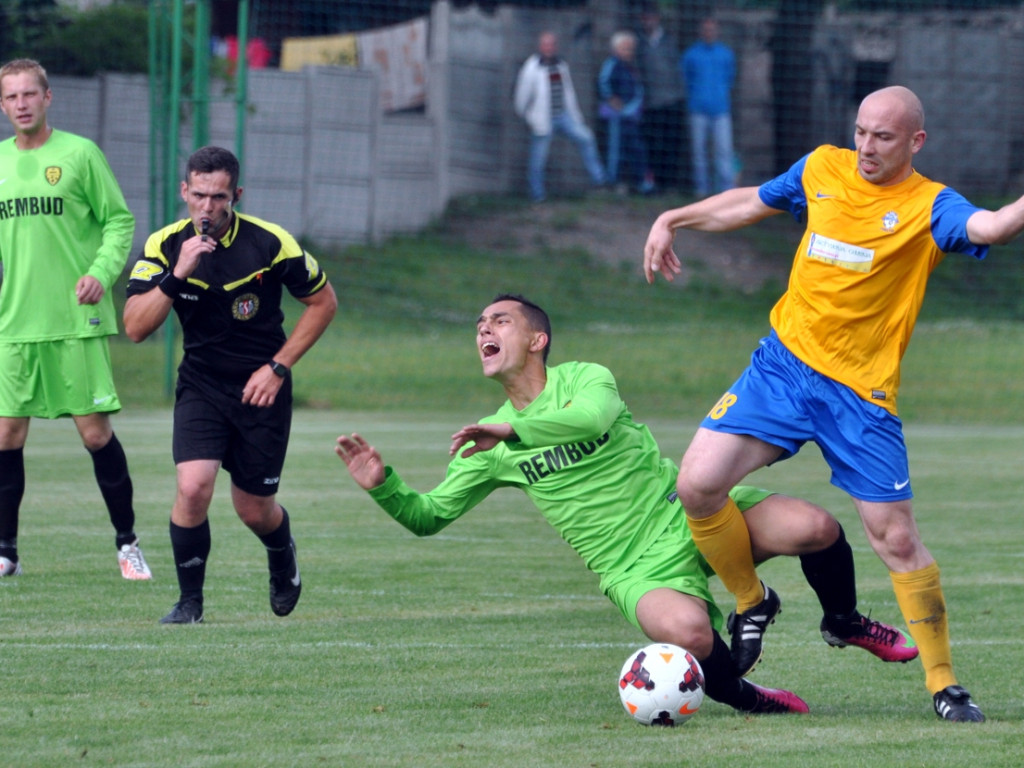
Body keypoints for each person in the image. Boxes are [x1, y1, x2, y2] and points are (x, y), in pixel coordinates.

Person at [334, 294, 918, 716]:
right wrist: (384, 484)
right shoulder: (489, 443)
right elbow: (428, 517)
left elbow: (589, 420)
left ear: (537, 339)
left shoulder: (586, 379)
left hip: (686, 510)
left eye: (499, 320)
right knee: (689, 633)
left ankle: (842, 622)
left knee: (816, 526)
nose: (484, 329)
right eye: (479, 323)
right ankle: (747, 698)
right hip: (632, 567)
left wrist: (513, 434)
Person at [642, 85, 1012, 722]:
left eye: (884, 137)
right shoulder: (822, 168)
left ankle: (945, 684)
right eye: (862, 132)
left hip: (859, 399)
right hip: (782, 370)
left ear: (915, 142)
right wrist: (674, 217)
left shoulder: (930, 206)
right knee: (697, 485)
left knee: (895, 539)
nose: (866, 147)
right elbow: (747, 203)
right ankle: (752, 600)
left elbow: (992, 226)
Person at [123, 145, 337, 624]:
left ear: (235, 195)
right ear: (184, 191)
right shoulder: (164, 245)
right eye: (198, 195)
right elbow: (135, 327)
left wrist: (278, 368)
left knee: (254, 510)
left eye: (218, 197)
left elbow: (324, 304)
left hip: (262, 389)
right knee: (193, 486)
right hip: (201, 384)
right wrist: (177, 275)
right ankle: (190, 603)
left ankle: (283, 555)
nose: (207, 207)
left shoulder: (269, 242)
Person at [0, 58, 152, 581]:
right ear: (2, 105)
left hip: (75, 320)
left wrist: (101, 272)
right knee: (5, 436)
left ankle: (128, 543)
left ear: (47, 98)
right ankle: (6, 553)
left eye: (28, 94)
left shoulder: (80, 155)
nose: (20, 104)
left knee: (93, 435)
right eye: (10, 97)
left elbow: (118, 221)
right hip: (14, 324)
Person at [513, 31, 607, 203]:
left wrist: (576, 116)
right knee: (538, 159)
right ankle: (537, 195)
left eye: (551, 44)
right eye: (545, 44)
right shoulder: (532, 67)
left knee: (586, 138)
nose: (549, 48)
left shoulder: (560, 65)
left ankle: (600, 180)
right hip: (542, 119)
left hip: (563, 116)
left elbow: (569, 93)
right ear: (540, 47)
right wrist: (529, 117)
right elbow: (522, 96)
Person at [680, 18, 736, 197]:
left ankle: (728, 191)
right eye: (705, 29)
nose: (709, 33)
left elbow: (730, 78)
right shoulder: (691, 55)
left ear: (717, 31)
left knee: (724, 151)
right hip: (698, 110)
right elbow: (685, 79)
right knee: (699, 152)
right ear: (700, 32)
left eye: (712, 30)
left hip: (721, 110)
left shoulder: (726, 54)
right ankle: (702, 190)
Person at [598, 31, 655, 195]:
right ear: (616, 49)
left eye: (631, 49)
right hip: (617, 118)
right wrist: (611, 99)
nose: (629, 52)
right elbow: (603, 83)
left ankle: (644, 184)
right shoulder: (611, 65)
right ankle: (613, 182)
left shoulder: (631, 67)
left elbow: (637, 89)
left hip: (632, 117)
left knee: (637, 149)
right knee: (616, 150)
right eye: (625, 48)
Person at [636, 4, 685, 193]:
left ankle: (670, 183)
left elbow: (678, 70)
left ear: (657, 19)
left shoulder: (669, 41)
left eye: (651, 17)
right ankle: (656, 183)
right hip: (651, 103)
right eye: (645, 18)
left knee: (672, 142)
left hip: (672, 101)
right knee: (654, 145)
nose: (648, 21)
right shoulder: (640, 42)